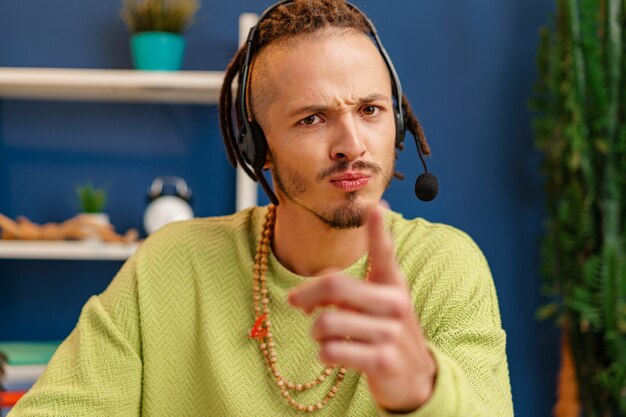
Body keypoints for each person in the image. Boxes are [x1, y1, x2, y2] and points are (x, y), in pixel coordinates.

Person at [9, 1, 513, 416]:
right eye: (312, 118)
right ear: (258, 148)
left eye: (370, 110)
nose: (351, 144)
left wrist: (425, 393)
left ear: (398, 122)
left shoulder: (444, 266)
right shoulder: (170, 265)